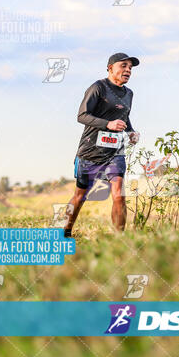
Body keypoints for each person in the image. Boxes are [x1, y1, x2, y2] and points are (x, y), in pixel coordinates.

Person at [64, 53, 140, 237]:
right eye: (123, 66)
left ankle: (119, 239)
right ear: (110, 68)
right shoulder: (98, 87)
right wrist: (108, 124)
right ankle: (65, 231)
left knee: (119, 194)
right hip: (90, 149)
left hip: (115, 151)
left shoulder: (129, 93)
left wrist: (130, 132)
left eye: (130, 67)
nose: (128, 70)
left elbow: (124, 116)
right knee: (80, 196)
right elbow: (82, 115)